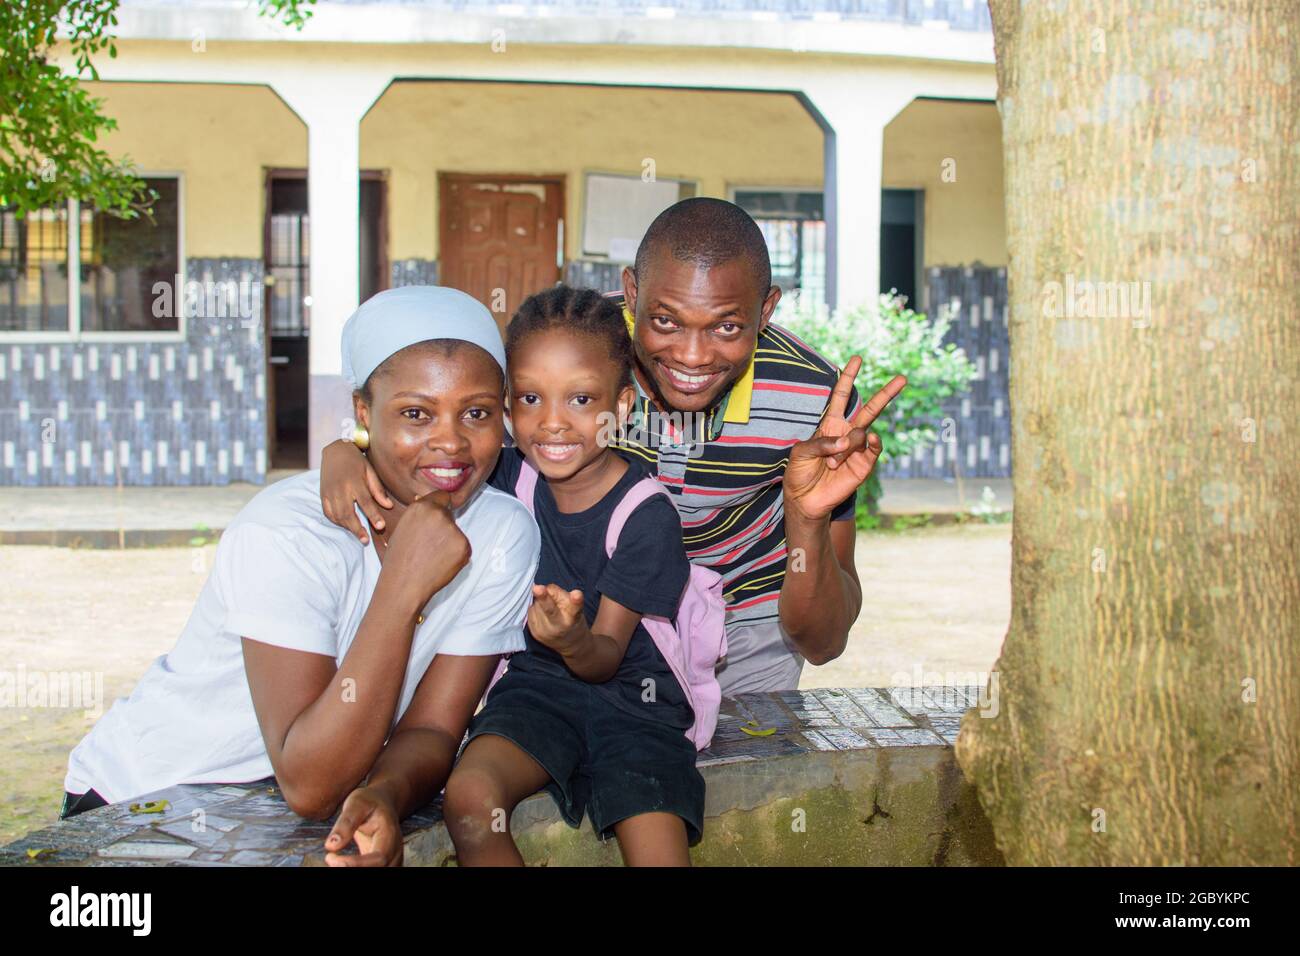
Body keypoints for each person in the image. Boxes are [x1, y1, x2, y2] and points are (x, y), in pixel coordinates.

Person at [322, 198, 906, 696]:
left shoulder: (814, 406)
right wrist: (351, 449)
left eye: (727, 326)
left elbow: (824, 643)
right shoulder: (572, 350)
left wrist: (804, 518)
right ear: (631, 293)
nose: (693, 357)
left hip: (741, 629)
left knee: (730, 785)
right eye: (665, 321)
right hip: (584, 609)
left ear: (768, 309)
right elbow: (452, 427)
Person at [61, 286, 541, 867]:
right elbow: (311, 783)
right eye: (416, 413)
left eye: (477, 413)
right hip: (150, 801)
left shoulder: (503, 532)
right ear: (364, 413)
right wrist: (403, 589)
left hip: (296, 803)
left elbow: (435, 730)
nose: (451, 440)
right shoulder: (286, 532)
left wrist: (385, 793)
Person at [446, 285, 703, 865]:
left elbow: (606, 655)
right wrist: (344, 454)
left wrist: (570, 637)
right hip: (537, 692)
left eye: (581, 400)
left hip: (636, 702)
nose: (553, 424)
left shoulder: (646, 516)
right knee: (468, 797)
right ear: (508, 406)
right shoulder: (508, 474)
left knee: (657, 845)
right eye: (531, 398)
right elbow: (413, 463)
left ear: (624, 407)